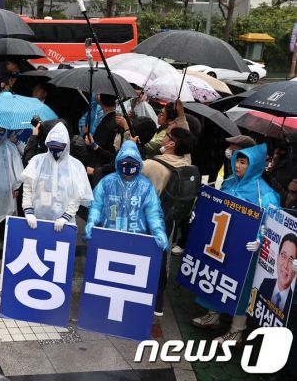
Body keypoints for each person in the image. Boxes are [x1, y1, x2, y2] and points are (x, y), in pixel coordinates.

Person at [192, 143, 280, 344]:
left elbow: (272, 223)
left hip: (245, 250)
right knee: (216, 276)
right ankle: (213, 313)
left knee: (241, 287)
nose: (238, 166)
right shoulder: (230, 182)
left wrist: (260, 239)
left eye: (244, 162)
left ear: (255, 165)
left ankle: (237, 330)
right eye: (237, 161)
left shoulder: (264, 194)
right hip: (223, 243)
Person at [141, 126, 196, 315]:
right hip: (169, 220)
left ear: (172, 143)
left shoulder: (151, 165)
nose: (163, 138)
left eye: (166, 136)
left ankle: (136, 294)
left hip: (146, 221)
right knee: (162, 260)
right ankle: (157, 304)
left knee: (141, 256)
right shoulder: (186, 163)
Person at [84, 140, 169, 251]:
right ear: (118, 163)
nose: (128, 167)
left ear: (139, 164)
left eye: (132, 164)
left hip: (136, 238)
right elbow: (96, 206)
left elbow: (153, 212)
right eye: (125, 164)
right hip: (108, 235)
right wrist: (92, 222)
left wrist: (158, 231)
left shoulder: (145, 186)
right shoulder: (107, 182)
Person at [21, 122, 93, 232]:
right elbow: (27, 188)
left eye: (59, 147)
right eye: (52, 146)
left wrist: (66, 216)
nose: (55, 150)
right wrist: (28, 211)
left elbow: (77, 195)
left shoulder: (75, 166)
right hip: (36, 221)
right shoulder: (37, 161)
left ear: (66, 145)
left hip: (64, 225)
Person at [258, 233, 297, 313]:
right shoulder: (265, 284)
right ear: (278, 257)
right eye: (283, 255)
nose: (285, 265)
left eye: (291, 260)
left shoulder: (293, 304)